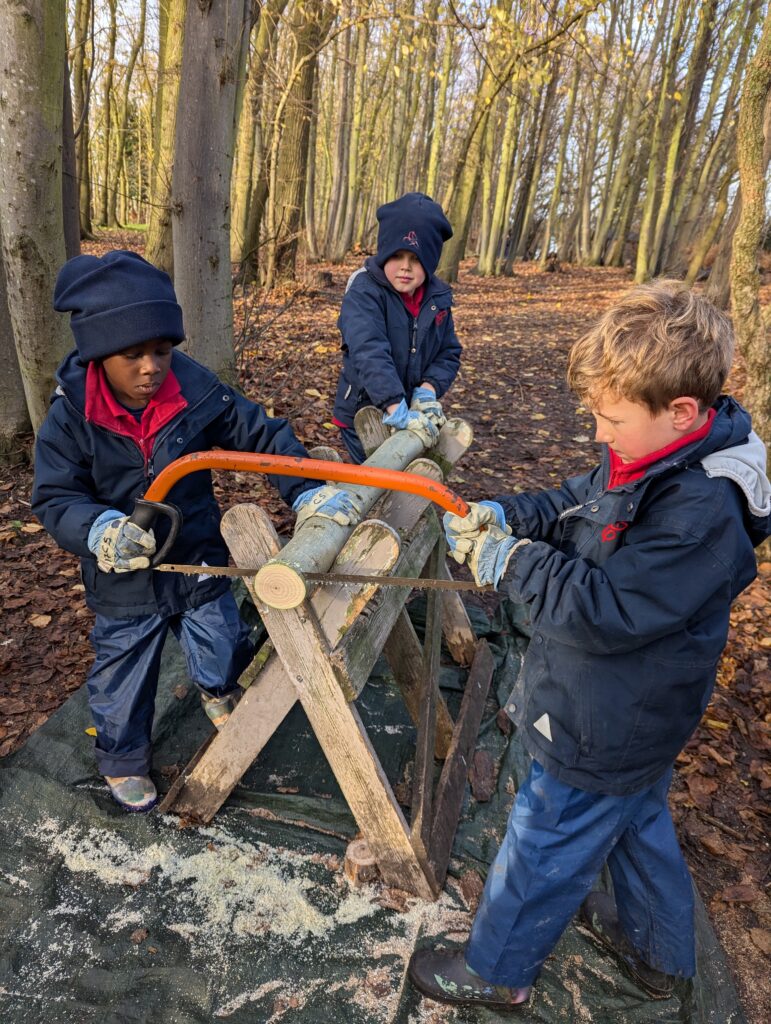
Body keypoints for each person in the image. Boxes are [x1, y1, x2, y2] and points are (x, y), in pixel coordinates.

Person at [408, 280, 770, 1010]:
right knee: (635, 818)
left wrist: (510, 563)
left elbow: (607, 609)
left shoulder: (700, 509)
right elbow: (580, 500)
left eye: (609, 420)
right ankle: (659, 954)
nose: (598, 436)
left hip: (608, 714)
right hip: (631, 713)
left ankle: (497, 970)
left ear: (681, 413)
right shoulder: (655, 453)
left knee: (543, 839)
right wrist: (503, 515)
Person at [32, 250, 361, 813]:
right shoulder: (70, 417)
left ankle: (216, 689)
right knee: (123, 672)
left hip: (197, 552)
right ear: (96, 356)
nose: (150, 368)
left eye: (161, 350)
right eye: (131, 355)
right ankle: (123, 757)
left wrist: (307, 488)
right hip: (124, 575)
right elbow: (55, 497)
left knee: (220, 637)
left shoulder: (195, 389)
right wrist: (98, 531)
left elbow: (260, 436)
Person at [332, 192, 461, 463]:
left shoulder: (437, 298)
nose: (405, 267)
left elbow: (448, 351)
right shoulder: (365, 290)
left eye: (415, 259)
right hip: (365, 415)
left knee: (405, 480)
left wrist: (427, 390)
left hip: (410, 412)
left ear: (430, 261)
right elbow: (368, 351)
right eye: (397, 256)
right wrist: (395, 406)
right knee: (382, 485)